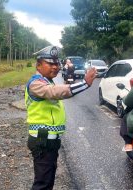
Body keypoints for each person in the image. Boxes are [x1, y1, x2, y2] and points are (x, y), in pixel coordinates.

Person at [25, 45, 96, 190]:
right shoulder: (36, 84)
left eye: (57, 63)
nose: (55, 67)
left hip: (49, 141)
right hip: (42, 140)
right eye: (50, 63)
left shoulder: (47, 81)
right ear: (38, 65)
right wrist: (85, 83)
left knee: (48, 181)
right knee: (42, 184)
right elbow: (55, 92)